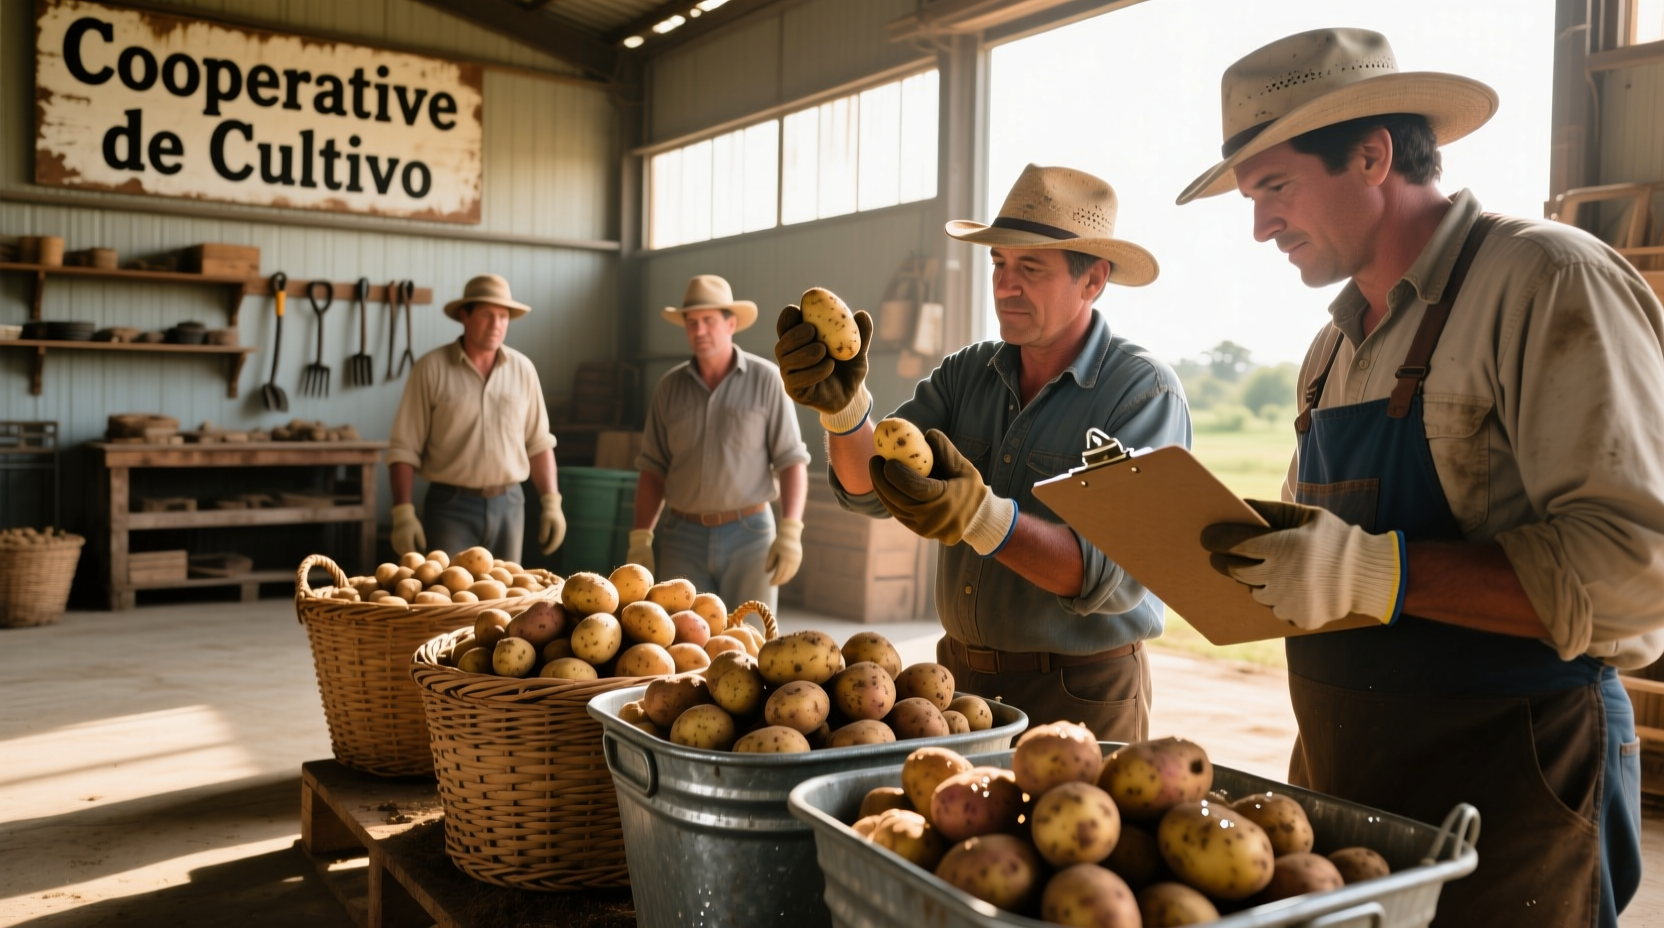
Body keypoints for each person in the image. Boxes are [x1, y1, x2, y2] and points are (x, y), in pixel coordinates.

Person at [1181, 28, 1661, 927]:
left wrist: (1376, 571)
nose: (1259, 226)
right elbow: (1322, 569)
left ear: (1371, 154)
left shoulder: (1547, 279)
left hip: (1513, 786)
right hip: (1345, 774)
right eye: (1251, 198)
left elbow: (1635, 580)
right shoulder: (1329, 350)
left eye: (1274, 188)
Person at [775, 165, 1191, 741]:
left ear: (1092, 281)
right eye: (999, 264)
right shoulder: (966, 373)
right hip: (955, 684)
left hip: (1080, 690)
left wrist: (980, 517)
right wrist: (845, 412)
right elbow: (871, 490)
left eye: (1030, 269)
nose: (1004, 285)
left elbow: (1110, 576)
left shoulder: (1141, 393)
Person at [628, 274, 810, 611]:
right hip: (682, 536)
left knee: (753, 642)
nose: (699, 331)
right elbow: (652, 469)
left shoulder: (767, 380)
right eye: (691, 322)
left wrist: (791, 529)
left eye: (708, 321)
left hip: (750, 536)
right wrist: (641, 537)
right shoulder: (668, 389)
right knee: (680, 644)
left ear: (731, 323)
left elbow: (791, 460)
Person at [387, 274, 564, 562]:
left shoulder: (523, 370)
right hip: (450, 505)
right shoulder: (431, 369)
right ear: (464, 316)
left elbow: (539, 443)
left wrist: (551, 501)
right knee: (452, 599)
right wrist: (402, 511)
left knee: (507, 598)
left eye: (503, 316)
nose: (496, 324)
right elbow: (403, 448)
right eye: (486, 315)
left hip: (510, 503)